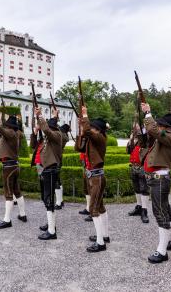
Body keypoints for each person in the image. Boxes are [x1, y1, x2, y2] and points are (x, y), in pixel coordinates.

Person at [141, 102, 171, 264]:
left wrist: (148, 113)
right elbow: (150, 134)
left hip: (159, 180)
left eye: (161, 124)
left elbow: (152, 129)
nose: (158, 125)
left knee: (160, 214)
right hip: (157, 179)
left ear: (167, 126)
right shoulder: (165, 136)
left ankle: (162, 251)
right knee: (167, 211)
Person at [76, 108, 109, 252]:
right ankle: (105, 235)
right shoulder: (92, 139)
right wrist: (82, 133)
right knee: (100, 207)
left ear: (99, 130)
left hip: (96, 177)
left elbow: (89, 131)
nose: (92, 130)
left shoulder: (100, 138)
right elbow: (79, 148)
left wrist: (84, 116)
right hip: (93, 176)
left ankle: (100, 242)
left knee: (93, 209)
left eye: (94, 128)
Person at [0, 113, 27, 229]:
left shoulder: (12, 133)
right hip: (13, 165)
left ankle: (7, 220)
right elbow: (0, 134)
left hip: (9, 167)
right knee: (17, 191)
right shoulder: (15, 133)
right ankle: (22, 215)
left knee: (8, 193)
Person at [34, 107, 62, 240]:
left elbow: (46, 130)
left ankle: (52, 232)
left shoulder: (56, 135)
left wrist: (40, 116)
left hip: (51, 170)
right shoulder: (49, 138)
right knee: (46, 199)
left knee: (49, 199)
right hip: (47, 170)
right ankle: (52, 225)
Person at [127, 120, 151, 223]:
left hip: (142, 167)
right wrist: (131, 138)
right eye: (134, 127)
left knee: (144, 189)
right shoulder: (134, 139)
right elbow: (128, 150)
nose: (135, 128)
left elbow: (144, 135)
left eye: (136, 127)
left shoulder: (145, 139)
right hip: (134, 167)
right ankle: (139, 207)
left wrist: (140, 129)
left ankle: (144, 211)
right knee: (137, 188)